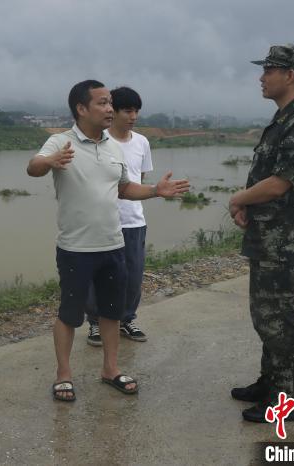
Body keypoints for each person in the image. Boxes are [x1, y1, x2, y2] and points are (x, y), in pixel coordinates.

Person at [27, 80, 189, 401]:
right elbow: (33, 167)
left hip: (113, 245)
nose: (110, 109)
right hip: (76, 248)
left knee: (112, 312)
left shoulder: (115, 147)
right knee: (70, 314)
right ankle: (64, 375)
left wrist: (157, 190)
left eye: (111, 103)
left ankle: (110, 369)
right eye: (102, 103)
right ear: (82, 109)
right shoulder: (60, 142)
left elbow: (125, 188)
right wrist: (50, 161)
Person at [228, 44, 294, 422]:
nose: (262, 77)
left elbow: (280, 183)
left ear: (290, 75)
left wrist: (238, 198)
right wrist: (248, 207)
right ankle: (270, 383)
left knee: (277, 317)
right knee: (265, 314)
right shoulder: (283, 119)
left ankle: (286, 400)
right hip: (268, 235)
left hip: (282, 240)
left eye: (269, 70)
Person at [85, 86, 154, 346]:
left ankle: (126, 319)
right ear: (113, 111)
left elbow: (139, 180)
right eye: (127, 110)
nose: (133, 116)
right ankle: (94, 323)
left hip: (134, 221)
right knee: (98, 276)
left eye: (136, 111)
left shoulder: (142, 142)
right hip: (102, 222)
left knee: (133, 276)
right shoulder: (98, 142)